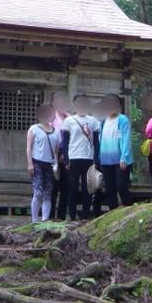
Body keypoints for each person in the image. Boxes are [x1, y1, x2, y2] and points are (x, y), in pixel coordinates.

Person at [61, 94, 101, 220]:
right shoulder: (69, 121)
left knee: (87, 188)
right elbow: (65, 142)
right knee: (72, 188)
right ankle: (72, 217)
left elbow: (96, 142)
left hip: (88, 158)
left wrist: (96, 158)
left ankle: (85, 216)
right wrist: (66, 159)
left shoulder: (93, 121)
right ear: (75, 104)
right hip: (73, 157)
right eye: (79, 102)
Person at [98, 94, 133, 210]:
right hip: (106, 160)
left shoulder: (122, 119)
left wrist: (124, 157)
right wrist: (98, 158)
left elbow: (126, 138)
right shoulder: (103, 122)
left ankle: (129, 210)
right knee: (109, 188)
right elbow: (100, 141)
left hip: (121, 160)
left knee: (121, 186)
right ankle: (113, 212)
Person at [26, 103, 59, 223]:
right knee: (38, 192)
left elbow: (56, 150)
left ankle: (45, 219)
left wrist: (56, 165)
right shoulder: (34, 129)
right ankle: (34, 220)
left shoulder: (57, 132)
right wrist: (30, 163)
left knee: (47, 193)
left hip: (50, 165)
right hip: (37, 163)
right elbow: (29, 147)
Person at [50, 91, 70, 220]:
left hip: (68, 156)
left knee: (65, 187)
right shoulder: (50, 118)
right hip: (53, 155)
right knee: (52, 188)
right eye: (57, 100)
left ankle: (61, 217)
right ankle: (51, 216)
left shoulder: (70, 118)